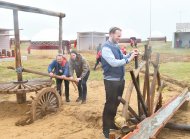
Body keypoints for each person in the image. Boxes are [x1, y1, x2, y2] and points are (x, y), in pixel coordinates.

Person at [101, 27, 138, 138]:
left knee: (116, 103)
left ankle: (111, 123)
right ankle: (106, 130)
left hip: (120, 80)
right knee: (109, 105)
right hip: (111, 81)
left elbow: (122, 57)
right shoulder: (105, 48)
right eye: (118, 36)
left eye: (120, 36)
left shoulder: (115, 46)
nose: (119, 38)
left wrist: (131, 53)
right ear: (111, 34)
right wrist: (129, 59)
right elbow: (113, 63)